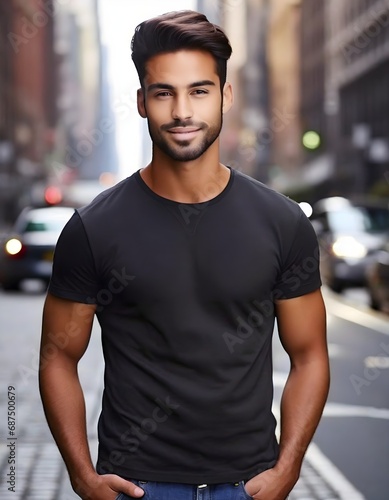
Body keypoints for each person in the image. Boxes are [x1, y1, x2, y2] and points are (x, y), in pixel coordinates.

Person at [39, 10, 330, 500]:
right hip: (137, 486)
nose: (181, 112)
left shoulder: (283, 223)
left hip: (246, 486)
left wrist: (288, 468)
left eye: (198, 91)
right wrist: (82, 475)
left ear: (225, 96)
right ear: (140, 102)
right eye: (163, 93)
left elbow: (310, 355)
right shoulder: (94, 228)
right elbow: (57, 358)